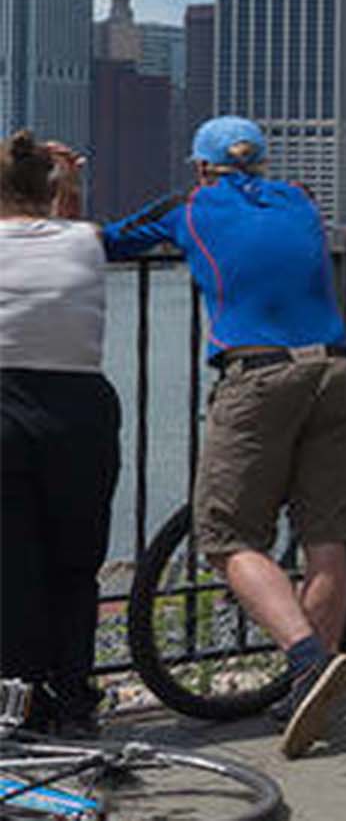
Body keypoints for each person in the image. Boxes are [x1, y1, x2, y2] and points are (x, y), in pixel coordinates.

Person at [100, 118, 346, 757]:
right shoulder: (300, 197)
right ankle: (314, 688)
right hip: (333, 369)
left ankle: (304, 659)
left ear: (200, 167)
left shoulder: (189, 209)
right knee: (326, 534)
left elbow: (105, 244)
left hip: (261, 376)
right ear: (263, 163)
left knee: (226, 536)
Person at [0, 133, 119, 737]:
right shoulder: (85, 242)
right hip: (79, 410)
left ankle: (15, 707)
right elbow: (70, 218)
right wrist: (68, 177)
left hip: (3, 409)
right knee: (75, 565)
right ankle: (72, 699)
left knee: (9, 564)